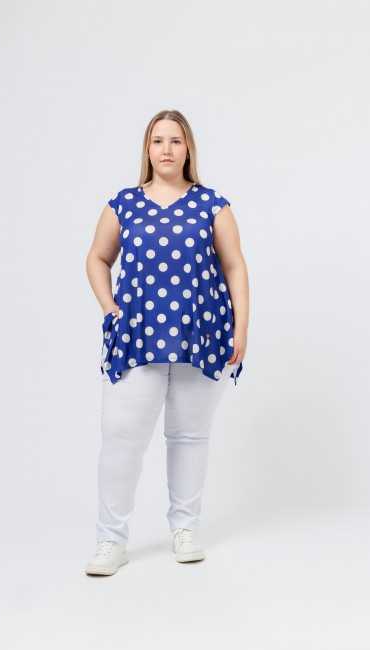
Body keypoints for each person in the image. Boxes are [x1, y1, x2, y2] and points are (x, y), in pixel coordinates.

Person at [84, 109, 250, 576]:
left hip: (202, 334)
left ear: (188, 148)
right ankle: (110, 540)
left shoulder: (213, 206)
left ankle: (186, 529)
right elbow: (97, 258)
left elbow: (234, 266)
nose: (166, 149)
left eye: (175, 141)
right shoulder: (123, 204)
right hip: (138, 336)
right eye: (158, 141)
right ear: (147, 149)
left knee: (190, 437)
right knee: (121, 438)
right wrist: (110, 308)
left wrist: (241, 328)